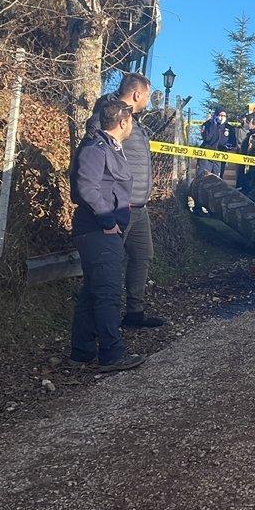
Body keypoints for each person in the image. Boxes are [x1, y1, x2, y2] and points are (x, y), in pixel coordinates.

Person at [69, 100, 146, 372]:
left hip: (101, 229)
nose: (132, 126)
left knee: (93, 290)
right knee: (108, 292)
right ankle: (112, 354)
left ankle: (82, 350)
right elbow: (87, 188)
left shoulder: (112, 148)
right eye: (132, 122)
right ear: (123, 122)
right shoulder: (95, 149)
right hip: (97, 230)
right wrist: (107, 220)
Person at [86, 73, 164, 329]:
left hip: (139, 207)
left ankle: (134, 313)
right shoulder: (108, 115)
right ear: (137, 94)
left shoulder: (135, 122)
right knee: (109, 264)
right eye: (148, 95)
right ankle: (102, 321)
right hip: (120, 206)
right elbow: (98, 150)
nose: (150, 101)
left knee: (142, 257)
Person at [235, 112, 255, 192]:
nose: (245, 123)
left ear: (252, 122)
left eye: (247, 121)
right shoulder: (251, 134)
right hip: (245, 169)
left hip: (249, 172)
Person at [197, 108, 231, 177]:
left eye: (224, 116)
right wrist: (213, 125)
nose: (222, 117)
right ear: (216, 115)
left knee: (217, 179)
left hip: (220, 156)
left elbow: (231, 142)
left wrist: (227, 146)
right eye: (220, 115)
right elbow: (207, 137)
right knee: (203, 177)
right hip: (206, 155)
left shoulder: (228, 127)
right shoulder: (208, 124)